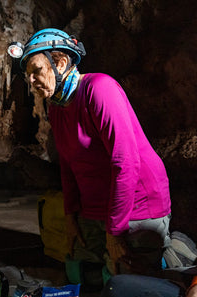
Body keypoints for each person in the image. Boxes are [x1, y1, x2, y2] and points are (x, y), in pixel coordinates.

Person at [12, 28, 171, 281]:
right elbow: (67, 163)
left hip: (136, 204)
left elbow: (126, 162)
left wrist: (115, 231)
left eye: (37, 71)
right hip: (96, 205)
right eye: (27, 75)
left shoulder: (98, 89)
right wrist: (71, 217)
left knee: (120, 284)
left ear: (61, 63)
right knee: (77, 269)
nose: (30, 81)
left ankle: (160, 261)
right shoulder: (56, 108)